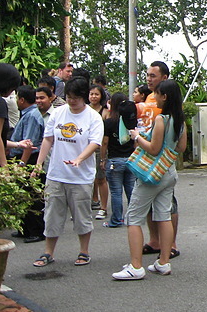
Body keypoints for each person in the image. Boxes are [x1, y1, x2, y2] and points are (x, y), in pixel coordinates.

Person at [113, 79, 187, 280]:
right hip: (169, 172)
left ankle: (136, 266)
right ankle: (164, 262)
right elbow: (181, 148)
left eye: (157, 95)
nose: (154, 98)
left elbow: (153, 149)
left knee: (133, 218)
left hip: (152, 175)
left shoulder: (161, 120)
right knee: (163, 215)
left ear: (165, 97)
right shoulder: (180, 120)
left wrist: (137, 137)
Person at [33, 76, 104, 268]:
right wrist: (39, 164)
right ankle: (48, 252)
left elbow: (95, 143)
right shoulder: (58, 113)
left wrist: (79, 159)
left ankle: (84, 251)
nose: (72, 101)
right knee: (51, 214)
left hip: (80, 176)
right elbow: (48, 139)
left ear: (84, 97)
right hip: (56, 174)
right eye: (69, 97)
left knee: (81, 215)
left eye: (76, 97)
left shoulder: (93, 117)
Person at [139, 61, 181, 259]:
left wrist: (138, 139)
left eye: (153, 76)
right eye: (147, 75)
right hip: (147, 160)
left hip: (160, 160)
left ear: (164, 78)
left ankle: (170, 244)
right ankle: (155, 241)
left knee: (167, 205)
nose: (149, 79)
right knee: (150, 204)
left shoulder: (168, 107)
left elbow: (174, 144)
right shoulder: (146, 97)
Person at [9, 85, 46, 242]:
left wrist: (22, 164)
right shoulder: (28, 114)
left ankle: (36, 231)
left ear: (22, 100)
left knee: (32, 196)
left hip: (28, 157)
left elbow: (29, 143)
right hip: (25, 157)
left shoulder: (31, 116)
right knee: (23, 195)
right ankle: (24, 228)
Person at [101, 93, 136, 228]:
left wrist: (103, 159)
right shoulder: (132, 122)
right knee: (131, 190)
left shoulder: (109, 122)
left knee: (116, 192)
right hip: (130, 160)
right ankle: (133, 218)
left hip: (115, 161)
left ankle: (116, 220)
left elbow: (104, 143)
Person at [88, 84, 110, 219]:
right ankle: (86, 206)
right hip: (85, 149)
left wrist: (103, 157)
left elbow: (105, 138)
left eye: (96, 94)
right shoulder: (84, 110)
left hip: (99, 150)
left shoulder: (105, 112)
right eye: (91, 94)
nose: (93, 97)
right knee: (86, 179)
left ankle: (103, 207)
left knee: (101, 179)